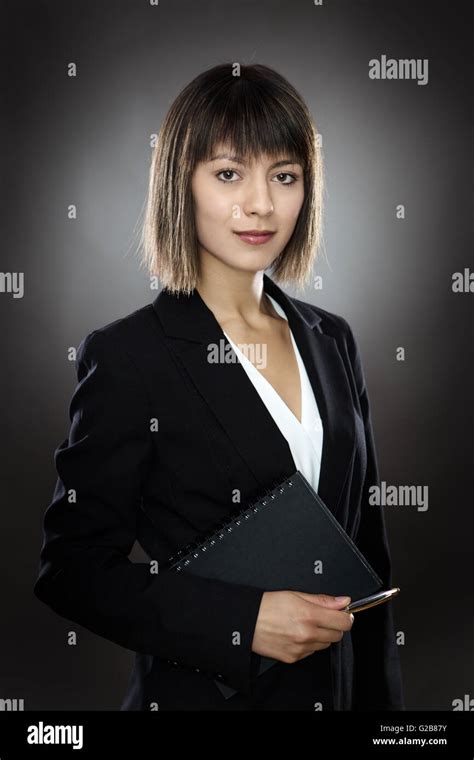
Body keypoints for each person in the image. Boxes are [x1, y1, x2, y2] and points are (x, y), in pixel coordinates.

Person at [33, 62, 404, 711]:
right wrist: (242, 619)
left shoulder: (332, 339)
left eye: (284, 175)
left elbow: (367, 561)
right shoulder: (129, 356)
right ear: (183, 183)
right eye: (229, 173)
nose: (260, 203)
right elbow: (73, 571)